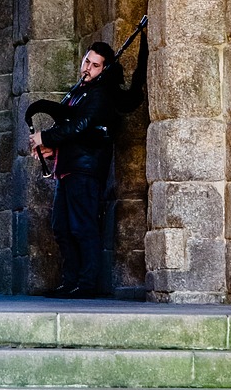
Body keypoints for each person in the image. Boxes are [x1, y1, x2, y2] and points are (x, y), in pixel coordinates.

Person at [29, 32, 148, 298]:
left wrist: (45, 137)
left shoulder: (100, 94)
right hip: (68, 168)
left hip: (85, 169)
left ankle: (85, 285)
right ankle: (71, 281)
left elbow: (80, 127)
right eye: (87, 62)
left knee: (82, 227)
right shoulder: (81, 93)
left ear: (104, 69)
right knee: (61, 227)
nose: (88, 68)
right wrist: (52, 148)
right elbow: (73, 126)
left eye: (95, 65)